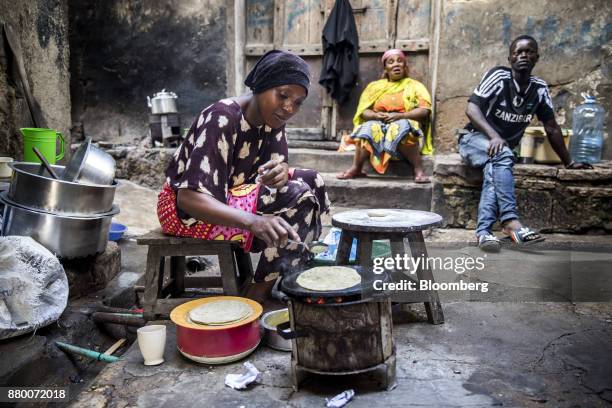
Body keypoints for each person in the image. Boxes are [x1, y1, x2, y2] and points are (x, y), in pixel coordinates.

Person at [157, 50, 330, 301]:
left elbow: (276, 171)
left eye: (297, 102)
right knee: (299, 196)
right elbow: (188, 199)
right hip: (184, 213)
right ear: (262, 85)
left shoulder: (274, 121)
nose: (289, 107)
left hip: (233, 196)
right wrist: (253, 221)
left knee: (312, 180)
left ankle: (287, 272)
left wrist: (280, 174)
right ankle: (256, 294)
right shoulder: (222, 118)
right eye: (282, 95)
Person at [460, 35, 592, 252]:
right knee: (502, 155)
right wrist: (494, 136)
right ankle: (511, 222)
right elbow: (472, 109)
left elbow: (551, 126)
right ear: (510, 58)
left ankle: (484, 234)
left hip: (499, 151)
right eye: (518, 52)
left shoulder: (539, 88)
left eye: (529, 51)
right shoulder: (498, 77)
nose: (523, 55)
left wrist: (569, 162)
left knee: (496, 164)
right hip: (473, 139)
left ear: (537, 57)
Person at [337, 49, 433, 182]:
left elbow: (424, 110)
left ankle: (418, 169)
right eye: (391, 62)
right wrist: (376, 116)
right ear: (385, 68)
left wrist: (401, 116)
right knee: (367, 128)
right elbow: (364, 111)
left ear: (405, 66)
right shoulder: (374, 87)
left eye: (400, 61)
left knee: (400, 127)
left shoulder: (415, 86)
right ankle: (356, 168)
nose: (396, 65)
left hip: (405, 128)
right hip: (379, 131)